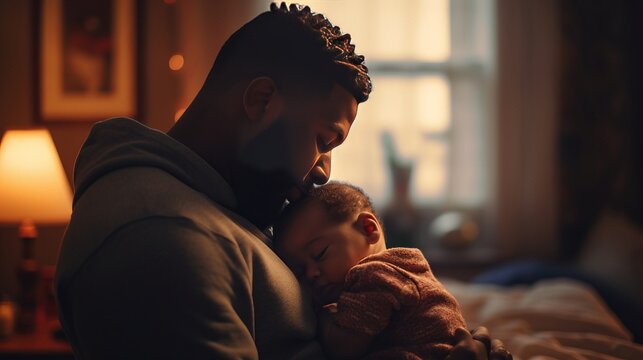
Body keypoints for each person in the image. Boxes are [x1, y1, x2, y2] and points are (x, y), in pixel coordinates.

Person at [55, 2, 509, 359]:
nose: (324, 171)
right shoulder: (161, 239)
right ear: (261, 100)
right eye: (324, 139)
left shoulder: (226, 198)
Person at [274, 182, 468, 359]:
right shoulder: (406, 267)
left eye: (319, 254)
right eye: (298, 272)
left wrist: (319, 315)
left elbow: (342, 348)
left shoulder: (373, 275)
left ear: (367, 228)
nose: (310, 274)